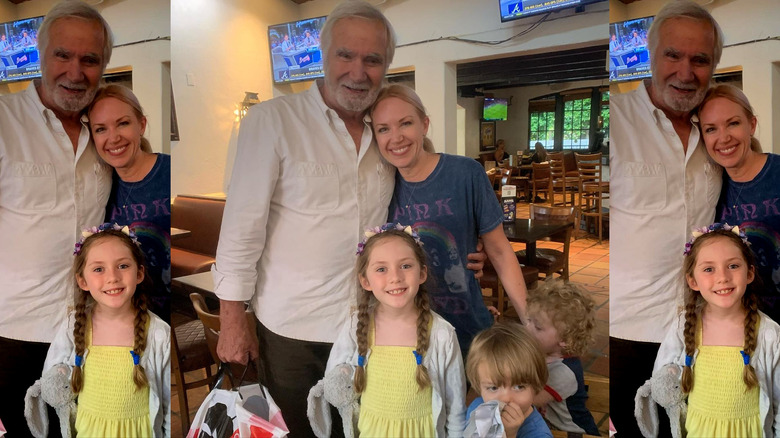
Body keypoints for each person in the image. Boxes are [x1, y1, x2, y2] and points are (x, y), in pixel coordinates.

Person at [212, 2, 484, 436]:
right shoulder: (271, 121)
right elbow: (241, 230)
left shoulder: (386, 133)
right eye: (345, 55)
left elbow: (422, 196)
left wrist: (467, 244)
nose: (358, 71)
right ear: (323, 55)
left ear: (386, 66)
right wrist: (231, 320)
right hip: (292, 329)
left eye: (372, 59)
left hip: (373, 323)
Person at [609, 1, 724, 434]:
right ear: (650, 56)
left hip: (703, 323)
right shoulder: (618, 121)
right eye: (673, 55)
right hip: (629, 329)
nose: (685, 71)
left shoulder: (716, 131)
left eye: (700, 59)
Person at [0, 1, 113, 433]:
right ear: (39, 54)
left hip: (92, 328)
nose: (75, 71)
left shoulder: (105, 131)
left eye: (90, 59)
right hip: (14, 331)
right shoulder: (5, 121)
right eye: (62, 55)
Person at [370, 84, 528, 359]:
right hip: (407, 339)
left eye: (405, 123)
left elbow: (500, 250)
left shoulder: (465, 173)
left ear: (424, 125)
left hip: (467, 329)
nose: (396, 137)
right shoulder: (380, 186)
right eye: (383, 128)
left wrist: (530, 321)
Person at [324, 224, 466, 436]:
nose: (395, 277)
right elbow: (334, 379)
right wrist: (346, 373)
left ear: (422, 273)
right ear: (365, 281)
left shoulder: (441, 334)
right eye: (381, 269)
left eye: (406, 266)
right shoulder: (356, 326)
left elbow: (455, 405)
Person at [39, 223, 170, 437]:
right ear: (83, 281)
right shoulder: (74, 326)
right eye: (99, 269)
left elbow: (166, 398)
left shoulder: (158, 333)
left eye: (123, 266)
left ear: (139, 273)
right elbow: (52, 376)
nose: (112, 277)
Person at [654, 223, 780, 436]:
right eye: (709, 269)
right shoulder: (683, 325)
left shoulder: (769, 333)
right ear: (693, 281)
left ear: (749, 273)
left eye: (733, 266)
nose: (722, 277)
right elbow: (663, 377)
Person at [87, 85, 171, 322]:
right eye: (101, 129)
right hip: (124, 321)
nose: (113, 138)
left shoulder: (168, 172)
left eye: (123, 123)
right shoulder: (99, 185)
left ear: (141, 125)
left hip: (171, 319)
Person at [697, 84, 780, 323]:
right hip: (739, 325)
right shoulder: (710, 186)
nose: (723, 138)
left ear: (751, 125)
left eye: (733, 123)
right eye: (711, 129)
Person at [525, 280, 599, 436]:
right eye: (528, 320)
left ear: (564, 339)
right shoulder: (542, 353)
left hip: (574, 433)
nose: (527, 328)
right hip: (547, 428)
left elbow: (529, 401)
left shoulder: (564, 372)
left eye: (537, 326)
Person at [465, 322, 553, 438]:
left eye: (519, 387)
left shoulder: (539, 434)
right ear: (479, 386)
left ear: (537, 385)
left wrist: (508, 434)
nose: (505, 398)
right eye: (493, 388)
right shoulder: (477, 408)